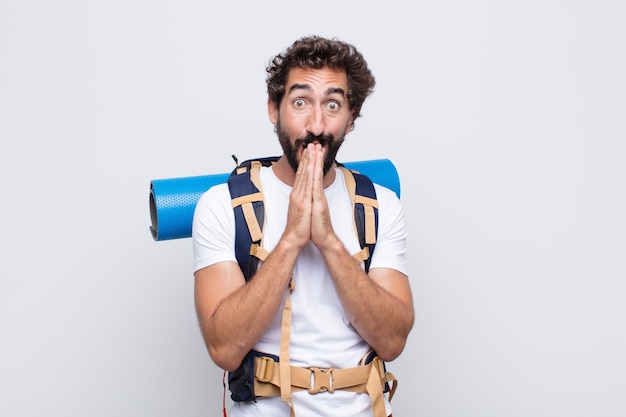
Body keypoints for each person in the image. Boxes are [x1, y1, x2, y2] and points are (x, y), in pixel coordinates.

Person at [192, 35, 414, 417]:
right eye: (300, 102)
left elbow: (392, 342)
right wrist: (292, 238)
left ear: (351, 117)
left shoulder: (381, 206)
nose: (315, 124)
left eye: (332, 104)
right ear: (273, 110)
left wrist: (328, 242)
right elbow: (225, 349)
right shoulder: (220, 205)